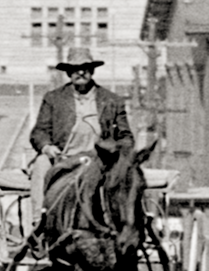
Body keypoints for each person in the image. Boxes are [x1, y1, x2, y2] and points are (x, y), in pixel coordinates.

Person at [28, 46, 133, 232]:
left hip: (99, 161)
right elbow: (39, 132)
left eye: (85, 68)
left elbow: (126, 137)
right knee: (41, 164)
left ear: (92, 70)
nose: (81, 72)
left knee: (128, 180)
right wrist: (47, 148)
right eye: (75, 69)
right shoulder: (53, 99)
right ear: (69, 72)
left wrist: (115, 151)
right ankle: (39, 222)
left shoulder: (112, 101)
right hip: (63, 158)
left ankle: (127, 225)